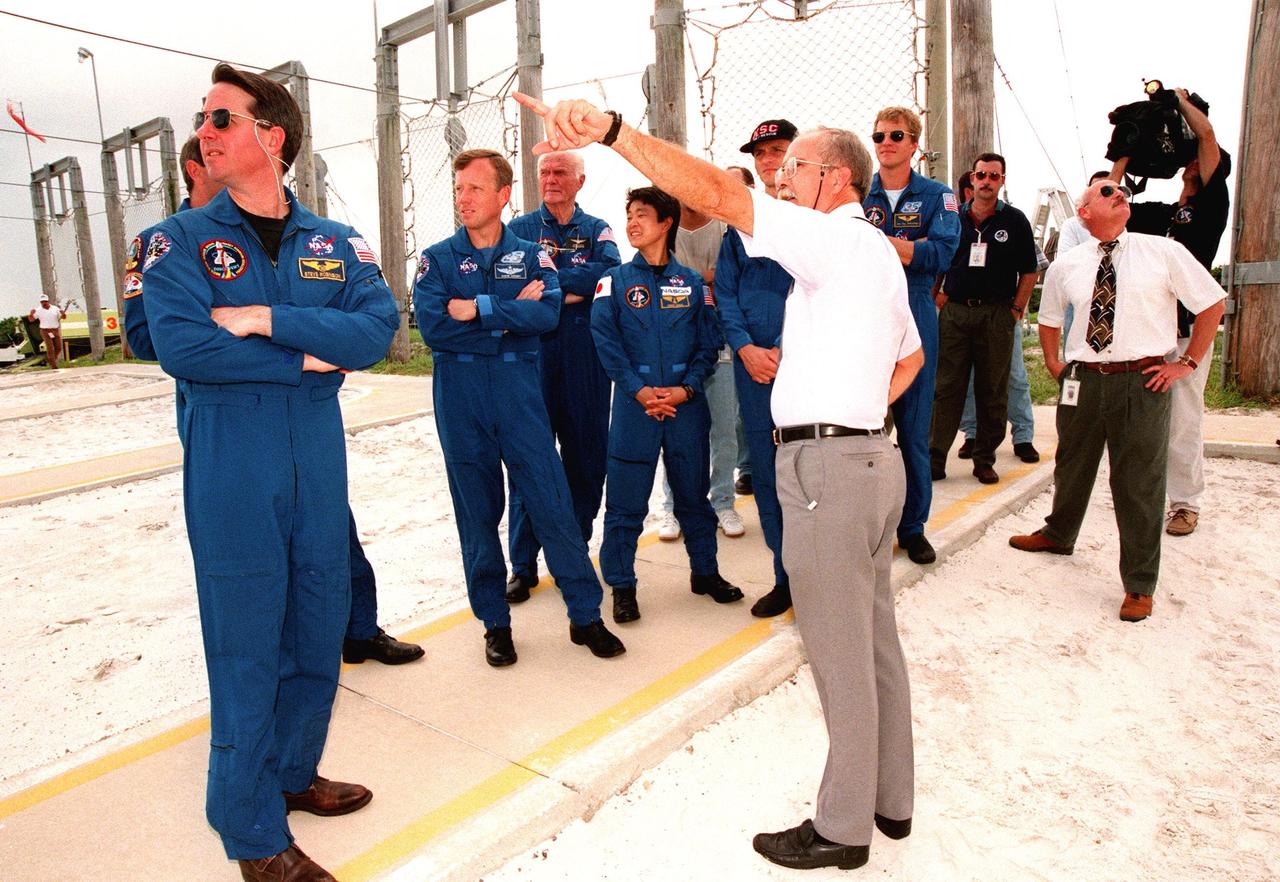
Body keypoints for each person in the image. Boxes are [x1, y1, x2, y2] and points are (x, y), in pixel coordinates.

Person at [515, 91, 922, 871]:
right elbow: (908, 359)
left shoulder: (834, 237)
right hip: (872, 458)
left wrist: (610, 134)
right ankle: (890, 801)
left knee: (838, 654)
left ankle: (843, 829)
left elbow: (720, 197)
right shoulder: (870, 252)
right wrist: (858, 409)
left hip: (828, 469)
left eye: (795, 166)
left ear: (832, 176)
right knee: (874, 645)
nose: (782, 180)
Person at [142, 63, 398, 881]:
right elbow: (184, 347)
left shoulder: (336, 241)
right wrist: (309, 357)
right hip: (233, 467)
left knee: (318, 623)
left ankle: (292, 772)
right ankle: (250, 829)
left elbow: (377, 329)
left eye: (222, 118)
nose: (205, 132)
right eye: (205, 119)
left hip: (316, 466)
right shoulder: (177, 240)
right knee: (247, 642)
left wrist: (266, 319)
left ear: (270, 136)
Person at [126, 136, 424, 669]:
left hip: (303, 422)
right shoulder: (160, 244)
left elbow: (362, 327)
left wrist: (263, 325)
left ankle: (356, 629)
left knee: (333, 535)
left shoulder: (302, 238)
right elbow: (153, 338)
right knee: (250, 562)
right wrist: (299, 352)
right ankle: (271, 673)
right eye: (211, 151)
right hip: (227, 414)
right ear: (196, 169)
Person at [414, 148, 624, 667]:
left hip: (518, 391)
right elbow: (435, 326)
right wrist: (512, 315)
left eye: (475, 189)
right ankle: (495, 624)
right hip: (460, 393)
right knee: (478, 512)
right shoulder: (437, 258)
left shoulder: (533, 254)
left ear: (503, 195)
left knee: (551, 501)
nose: (464, 199)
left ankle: (585, 616)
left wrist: (481, 308)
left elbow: (548, 312)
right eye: (459, 189)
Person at [1009, 178, 1225, 623]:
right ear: (1084, 212)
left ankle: (1139, 584)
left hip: (1142, 380)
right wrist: (1055, 364)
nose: (1118, 193)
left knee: (1138, 483)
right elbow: (1048, 319)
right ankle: (1058, 533)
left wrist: (1185, 362)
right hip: (1083, 381)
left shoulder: (1162, 251)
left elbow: (1211, 304)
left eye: (1121, 190)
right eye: (1106, 192)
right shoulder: (1068, 264)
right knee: (1071, 463)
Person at [591, 186, 744, 625]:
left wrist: (686, 389)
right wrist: (639, 390)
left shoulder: (693, 283)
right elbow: (606, 341)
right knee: (625, 504)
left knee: (694, 498)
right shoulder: (614, 282)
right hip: (634, 408)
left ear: (665, 223)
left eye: (642, 215)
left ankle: (706, 572)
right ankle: (621, 585)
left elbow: (709, 341)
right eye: (629, 215)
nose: (633, 223)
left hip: (684, 407)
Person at [1113, 88, 1230, 537]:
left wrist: (1178, 99)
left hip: (1187, 332)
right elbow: (1109, 198)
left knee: (1183, 418)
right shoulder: (1160, 212)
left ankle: (1185, 503)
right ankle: (1143, 492)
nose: (1196, 160)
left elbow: (1206, 134)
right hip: (1150, 330)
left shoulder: (1209, 206)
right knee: (1141, 418)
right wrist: (1123, 153)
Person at [504, 152, 620, 602]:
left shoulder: (597, 229)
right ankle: (523, 563)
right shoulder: (518, 230)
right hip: (532, 357)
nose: (550, 180)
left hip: (584, 357)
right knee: (529, 458)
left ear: (580, 181)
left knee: (587, 457)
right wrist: (571, 288)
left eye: (560, 173)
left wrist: (550, 288)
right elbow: (512, 282)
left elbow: (608, 273)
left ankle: (573, 548)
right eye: (544, 174)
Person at [862, 106, 961, 565]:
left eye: (896, 135)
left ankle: (913, 526)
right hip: (866, 313)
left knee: (914, 430)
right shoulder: (862, 196)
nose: (886, 142)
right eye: (879, 135)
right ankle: (868, 522)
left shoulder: (938, 195)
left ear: (914, 143)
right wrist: (907, 249)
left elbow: (941, 254)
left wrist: (886, 248)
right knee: (863, 428)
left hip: (917, 310)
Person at [714, 118, 799, 617]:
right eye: (761, 154)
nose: (769, 161)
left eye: (778, 151)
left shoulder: (814, 215)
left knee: (809, 473)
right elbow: (725, 291)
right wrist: (745, 347)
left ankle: (821, 576)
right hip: (755, 368)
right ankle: (784, 577)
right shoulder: (742, 222)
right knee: (766, 473)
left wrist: (789, 349)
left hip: (804, 364)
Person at [930, 153, 1039, 484]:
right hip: (956, 313)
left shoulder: (1015, 221)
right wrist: (937, 298)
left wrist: (1016, 310)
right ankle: (935, 457)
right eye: (981, 175)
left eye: (994, 176)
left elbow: (1030, 270)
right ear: (972, 179)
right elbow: (939, 260)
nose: (986, 181)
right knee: (947, 386)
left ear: (1002, 180)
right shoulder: (952, 218)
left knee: (993, 387)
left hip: (996, 314)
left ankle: (984, 458)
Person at [656, 198, 744, 542]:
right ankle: (673, 505)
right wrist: (704, 280)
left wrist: (693, 281)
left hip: (719, 339)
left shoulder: (726, 227)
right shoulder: (667, 227)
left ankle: (723, 501)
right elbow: (662, 279)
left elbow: (731, 279)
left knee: (724, 429)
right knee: (676, 432)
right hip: (678, 343)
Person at [29, 294, 66, 369]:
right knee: (50, 348)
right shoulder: (38, 310)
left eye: (45, 301)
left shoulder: (55, 308)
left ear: (48, 301)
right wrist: (31, 314)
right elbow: (31, 320)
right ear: (40, 302)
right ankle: (54, 365)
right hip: (45, 331)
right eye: (42, 302)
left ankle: (51, 359)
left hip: (55, 330)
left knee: (58, 347)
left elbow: (63, 317)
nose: (44, 303)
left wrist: (63, 314)